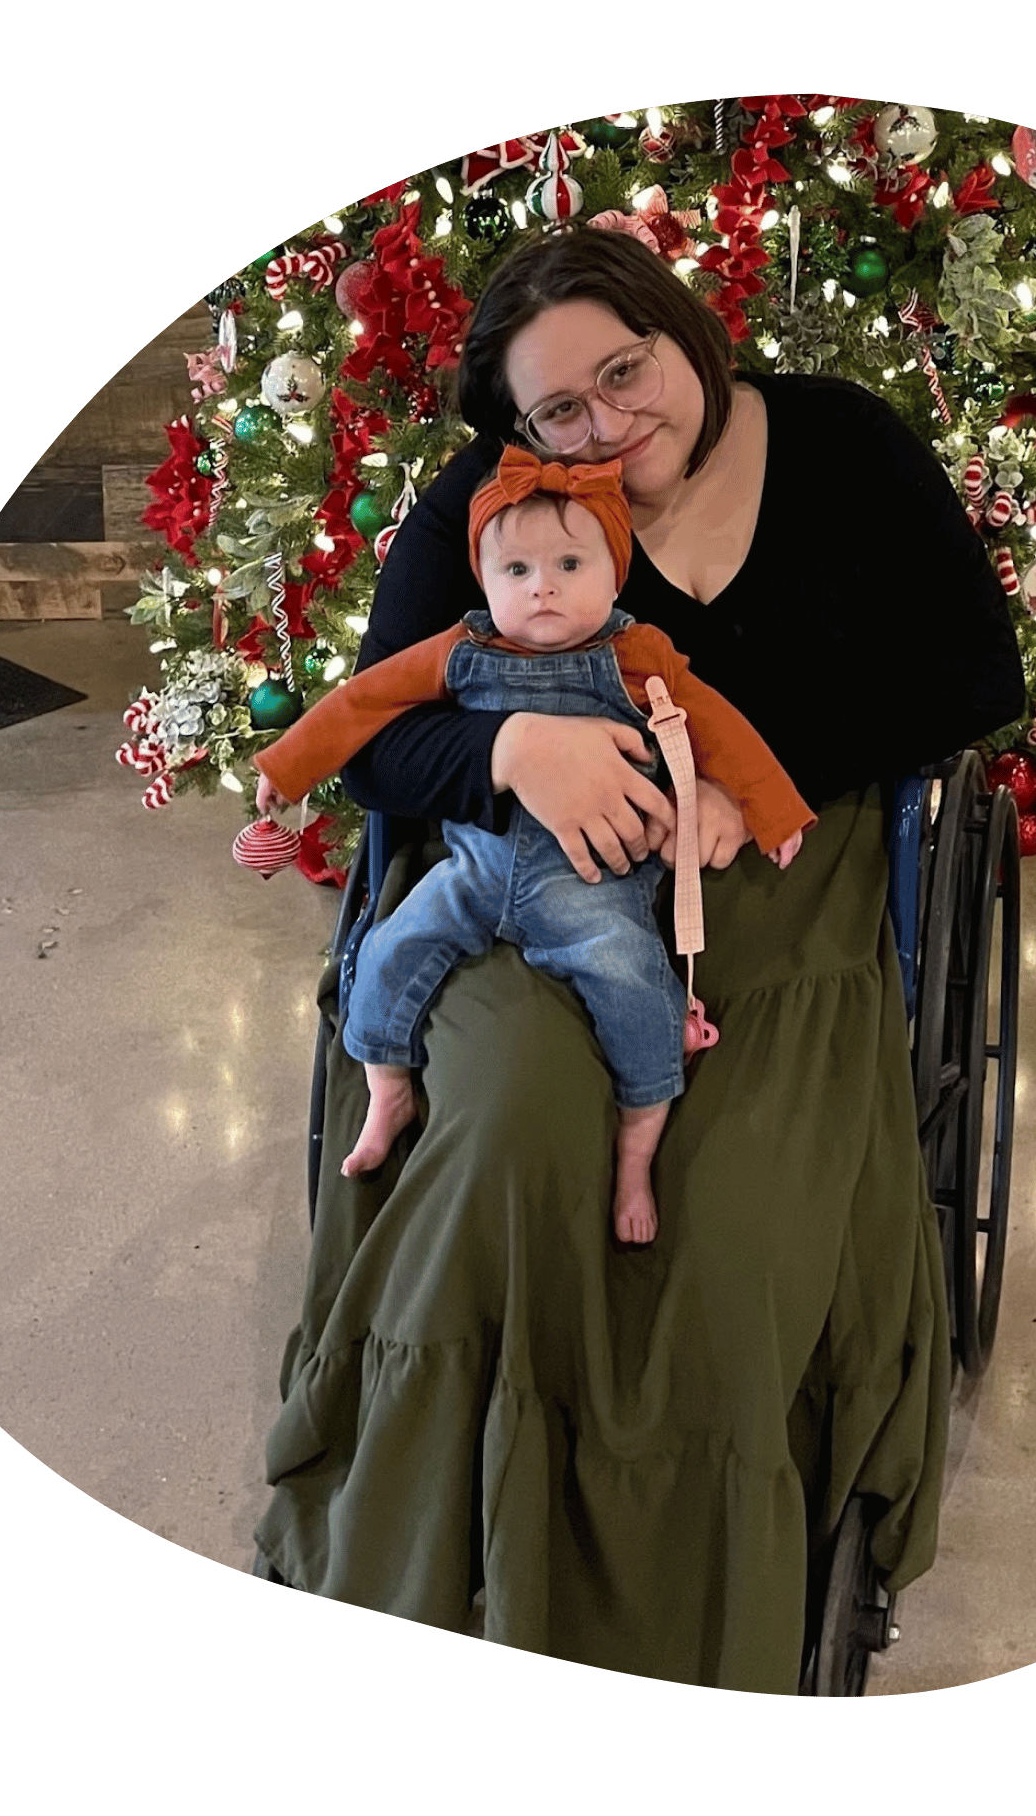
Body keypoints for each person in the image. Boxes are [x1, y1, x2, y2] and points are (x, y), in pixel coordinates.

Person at [253, 225, 1026, 1692]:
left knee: (731, 1231)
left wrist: (762, 771)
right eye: (563, 411)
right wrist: (514, 746)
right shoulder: (494, 508)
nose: (611, 424)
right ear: (523, 430)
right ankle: (429, 1555)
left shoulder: (849, 450)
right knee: (500, 1143)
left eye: (628, 369)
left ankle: (677, 1619)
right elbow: (375, 732)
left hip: (784, 880)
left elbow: (976, 671)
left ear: (684, 332)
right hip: (525, 877)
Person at [250, 448, 813, 1244]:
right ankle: (387, 1088)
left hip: (593, 886)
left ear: (614, 576)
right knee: (387, 952)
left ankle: (634, 1154)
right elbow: (361, 703)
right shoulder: (460, 648)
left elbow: (720, 729)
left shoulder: (636, 654)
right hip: (474, 872)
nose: (540, 585)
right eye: (514, 569)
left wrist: (775, 809)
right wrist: (289, 765)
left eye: (568, 564)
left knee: (638, 989)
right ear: (484, 581)